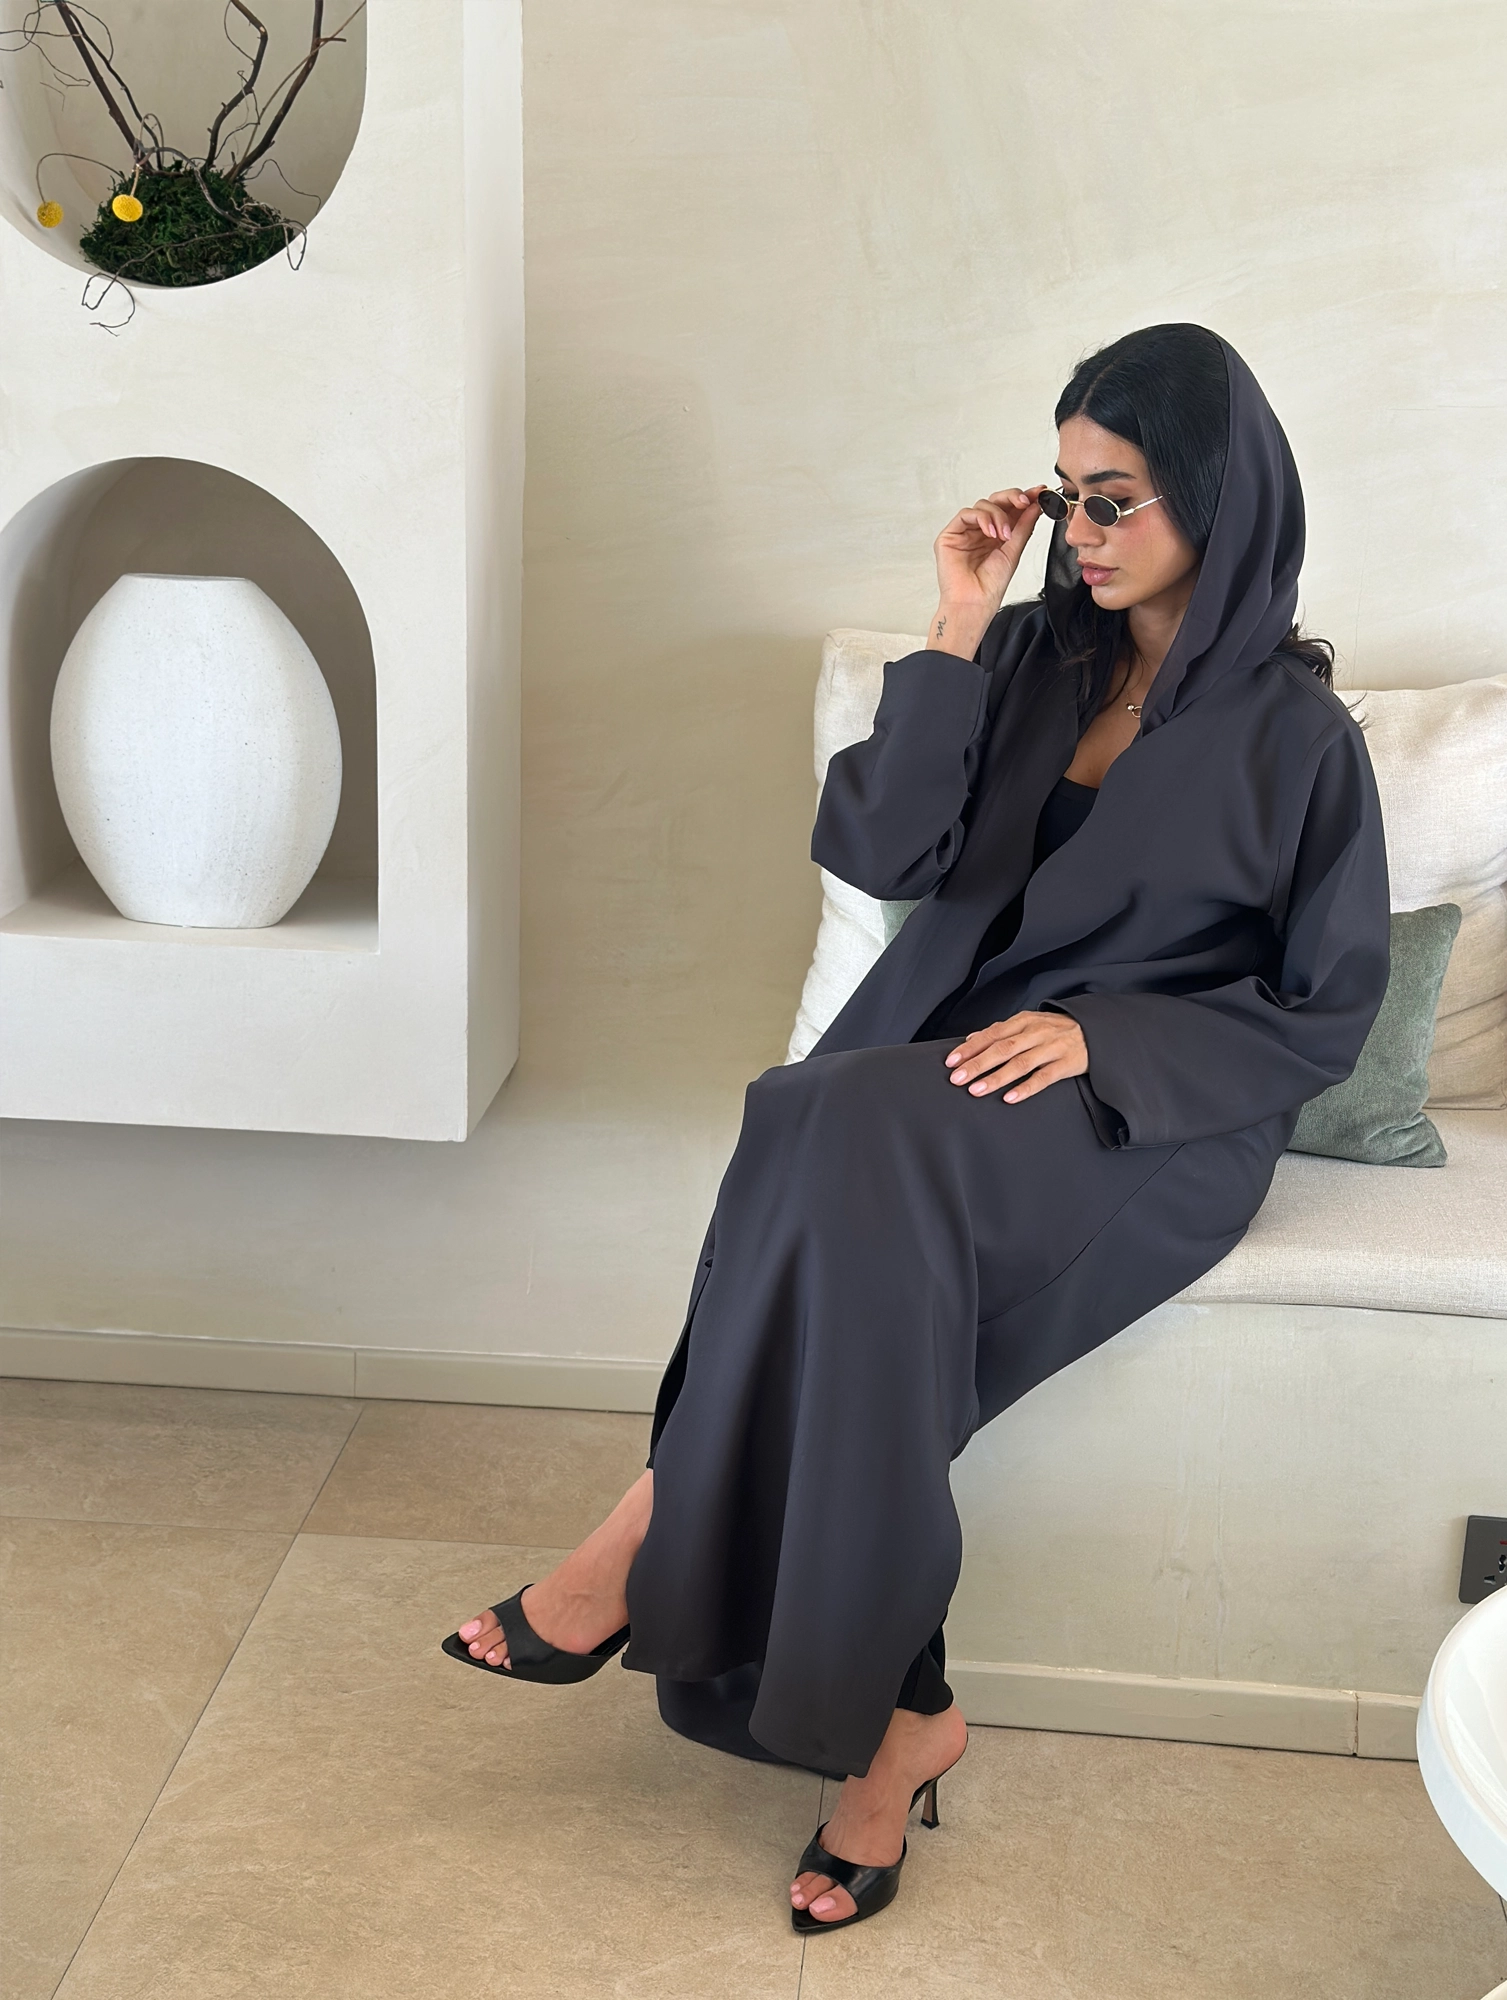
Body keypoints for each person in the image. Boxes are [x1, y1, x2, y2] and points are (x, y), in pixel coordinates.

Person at [442, 324, 1391, 1933]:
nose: (1080, 532)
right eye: (1066, 494)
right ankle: (897, 1728)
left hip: (1144, 1117)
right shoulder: (1026, 660)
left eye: (1116, 498)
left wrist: (1102, 1035)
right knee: (827, 1138)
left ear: (1217, 497)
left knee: (821, 1117)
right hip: (936, 1072)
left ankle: (638, 1546)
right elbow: (883, 854)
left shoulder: (1301, 741)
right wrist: (954, 626)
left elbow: (1321, 1008)